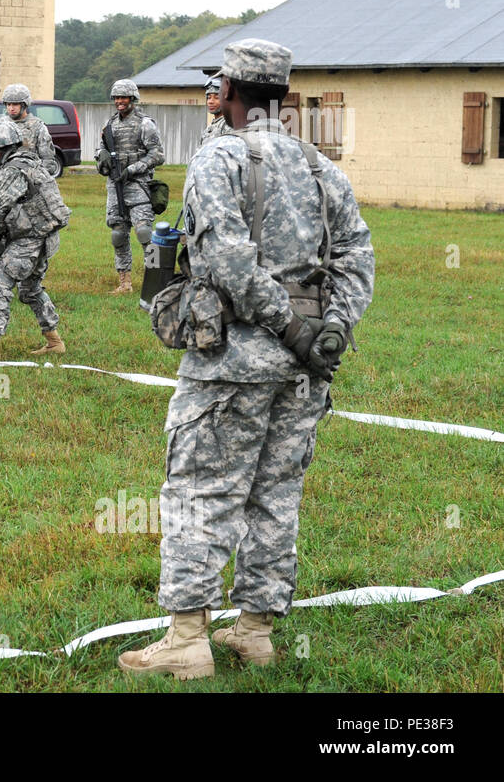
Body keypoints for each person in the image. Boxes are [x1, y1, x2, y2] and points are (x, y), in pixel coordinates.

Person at [117, 39, 374, 680]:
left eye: (217, 86)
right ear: (280, 97)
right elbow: (356, 259)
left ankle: (186, 640)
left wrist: (288, 328)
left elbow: (230, 259)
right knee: (275, 495)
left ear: (229, 91)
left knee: (201, 492)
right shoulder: (319, 165)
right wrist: (327, 335)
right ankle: (255, 632)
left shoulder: (218, 158)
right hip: (304, 371)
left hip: (231, 362)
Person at [0, 119, 68, 363]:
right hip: (46, 236)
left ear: (4, 147)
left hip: (30, 238)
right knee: (30, 289)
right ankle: (54, 341)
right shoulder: (28, 163)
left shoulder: (13, 169)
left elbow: (0, 211)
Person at [96, 78, 164, 295]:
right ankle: (124, 282)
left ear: (132, 98)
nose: (119, 102)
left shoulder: (145, 124)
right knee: (118, 234)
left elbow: (158, 155)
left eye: (123, 97)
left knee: (144, 233)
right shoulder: (110, 125)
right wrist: (102, 156)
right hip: (115, 185)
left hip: (138, 185)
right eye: (116, 98)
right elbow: (100, 150)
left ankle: (156, 280)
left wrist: (134, 168)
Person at [0, 84, 59, 181]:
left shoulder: (38, 127)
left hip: (30, 180)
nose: (11, 108)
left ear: (24, 104)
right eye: (8, 104)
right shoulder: (0, 125)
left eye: (15, 104)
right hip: (4, 180)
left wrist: (34, 178)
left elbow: (48, 162)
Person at [200, 74, 229, 143]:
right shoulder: (211, 126)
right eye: (209, 97)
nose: (210, 102)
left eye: (217, 98)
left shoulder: (228, 126)